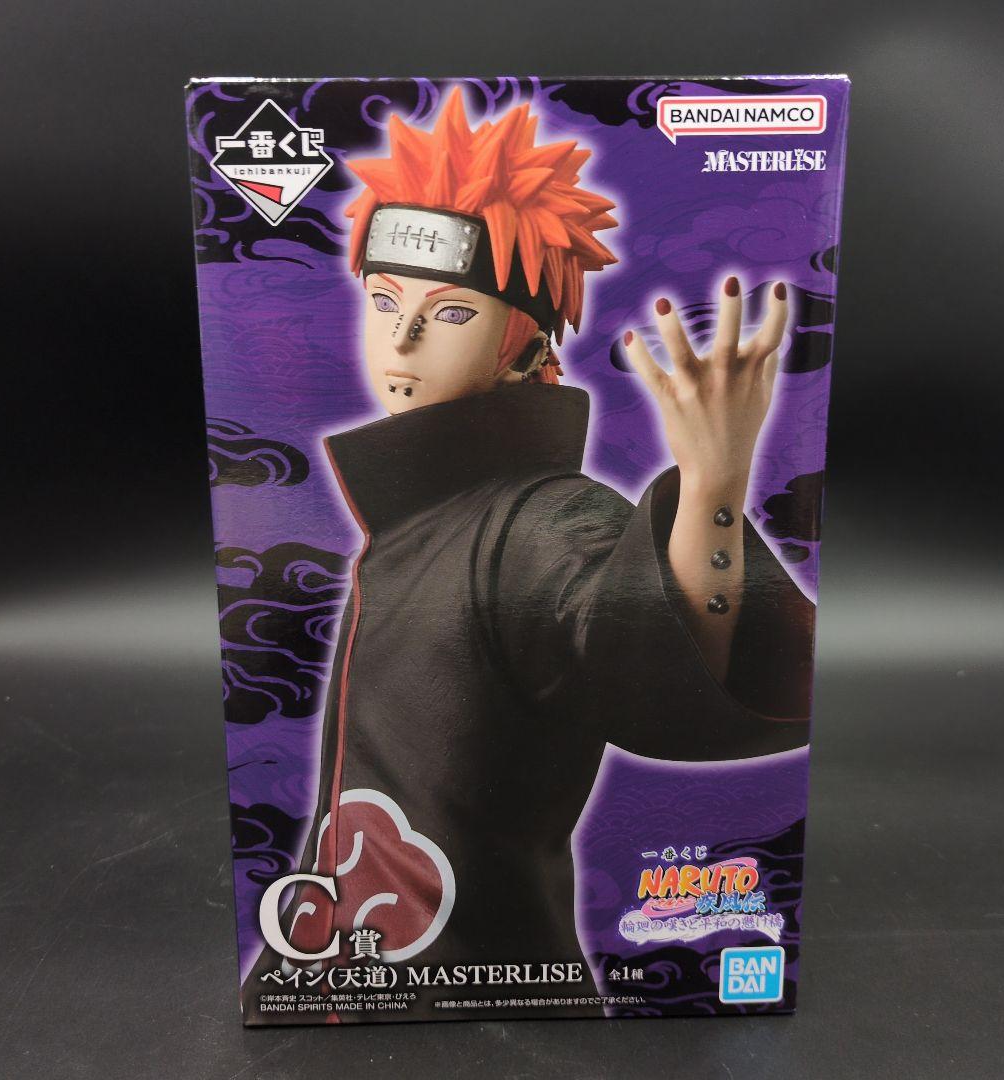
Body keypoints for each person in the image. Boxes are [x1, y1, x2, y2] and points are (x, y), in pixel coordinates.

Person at [242, 88, 813, 1023]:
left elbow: (641, 659)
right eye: (384, 301)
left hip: (483, 991)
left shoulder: (541, 521)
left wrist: (712, 488)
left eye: (450, 313)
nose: (401, 340)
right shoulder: (415, 514)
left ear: (524, 343)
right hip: (341, 973)